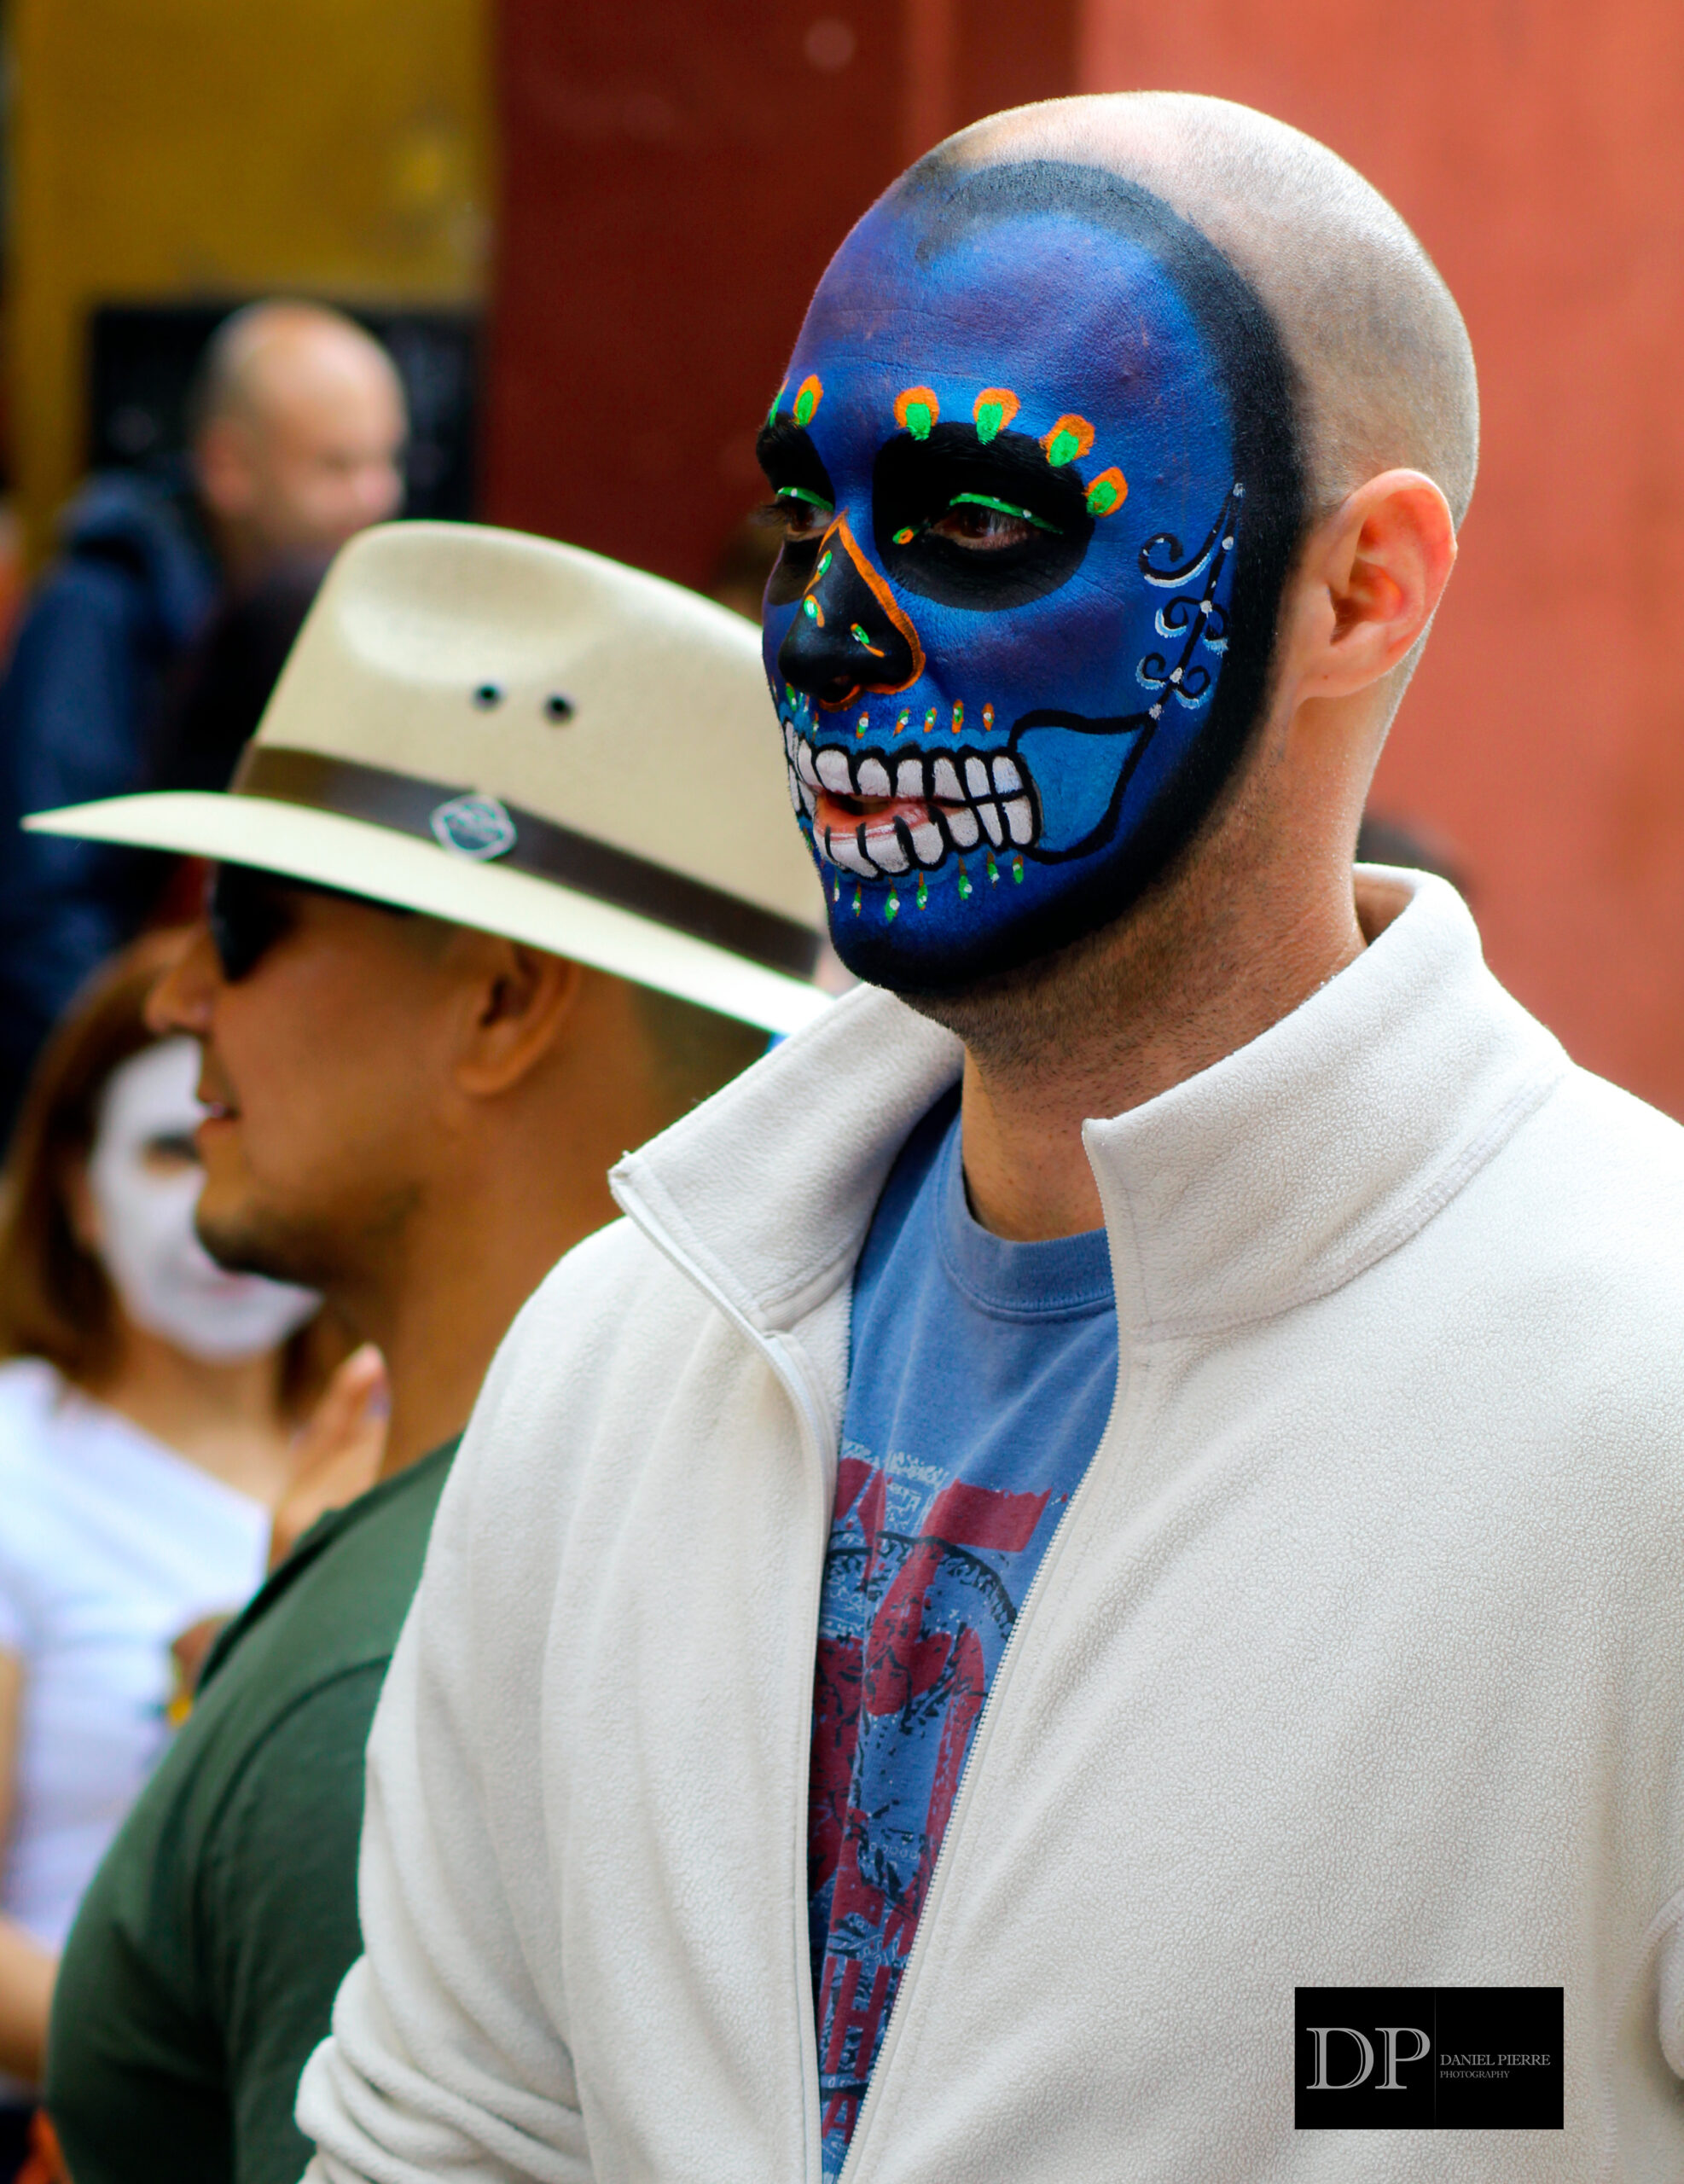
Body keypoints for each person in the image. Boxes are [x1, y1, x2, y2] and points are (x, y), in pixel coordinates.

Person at [292, 93, 1684, 2181]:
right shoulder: (617, 1350)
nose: (820, 630)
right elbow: (451, 2133)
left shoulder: (1643, 1385)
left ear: (1360, 591)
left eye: (973, 523)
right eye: (801, 518)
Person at [31, 519, 827, 2184]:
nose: (179, 999)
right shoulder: (587, 1530)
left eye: (247, 918)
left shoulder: (407, 1665)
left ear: (498, 1006)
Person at [0, 932, 321, 2140]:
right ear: (77, 1191)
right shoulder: (15, 1462)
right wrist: (219, 2090)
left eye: (256, 1131)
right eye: (168, 1149)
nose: (210, 1203)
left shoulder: (418, 1434)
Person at [0, 303, 407, 1141]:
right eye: (336, 466)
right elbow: (44, 905)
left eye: (387, 460)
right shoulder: (96, 617)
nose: (376, 497)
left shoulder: (349, 614)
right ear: (229, 466)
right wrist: (141, 1108)